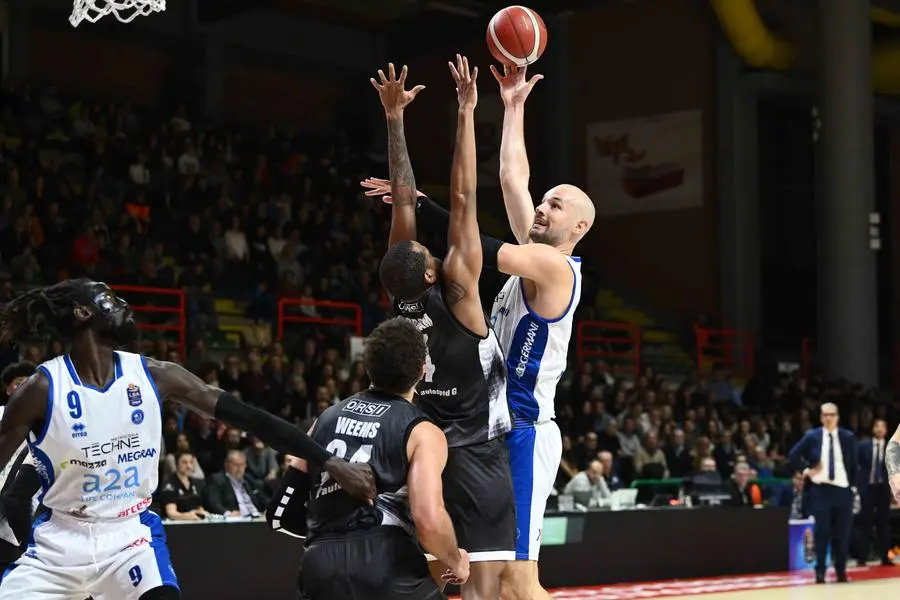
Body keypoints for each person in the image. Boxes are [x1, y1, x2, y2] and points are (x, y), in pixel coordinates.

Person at [363, 64, 595, 599]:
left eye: (555, 205)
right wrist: (511, 106)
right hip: (491, 426)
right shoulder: (536, 257)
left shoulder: (556, 269)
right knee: (481, 581)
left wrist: (421, 203)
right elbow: (513, 178)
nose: (542, 206)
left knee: (516, 584)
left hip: (523, 428)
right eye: (546, 199)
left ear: (578, 228)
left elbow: (474, 240)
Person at [0, 278, 376, 600]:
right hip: (58, 542)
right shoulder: (41, 389)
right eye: (109, 299)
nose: (123, 304)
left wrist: (328, 461)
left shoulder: (155, 375)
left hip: (130, 537)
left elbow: (252, 419)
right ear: (83, 313)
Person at [371, 59, 514, 600]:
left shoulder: (400, 292)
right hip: (477, 449)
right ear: (430, 270)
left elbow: (404, 199)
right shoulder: (457, 289)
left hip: (424, 449)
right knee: (482, 592)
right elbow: (462, 200)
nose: (424, 243)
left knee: (438, 583)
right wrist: (467, 111)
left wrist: (394, 118)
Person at [265, 317, 468, 600]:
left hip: (320, 566)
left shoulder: (325, 419)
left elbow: (279, 514)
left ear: (367, 366)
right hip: (384, 559)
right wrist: (454, 559)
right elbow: (428, 519)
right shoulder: (423, 432)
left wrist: (327, 532)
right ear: (423, 370)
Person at [788, 402, 859, 584]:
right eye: (825, 415)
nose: (828, 418)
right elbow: (793, 455)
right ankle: (820, 572)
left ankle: (841, 572)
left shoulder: (848, 437)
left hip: (843, 490)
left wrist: (853, 488)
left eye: (832, 414)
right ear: (820, 417)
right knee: (822, 532)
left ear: (837, 417)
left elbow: (855, 464)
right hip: (821, 490)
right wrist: (806, 471)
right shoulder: (812, 436)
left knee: (843, 534)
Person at [0, 361, 38, 573]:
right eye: (18, 383)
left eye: (28, 383)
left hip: (22, 517)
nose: (23, 387)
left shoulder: (45, 423)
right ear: (7, 389)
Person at [856, 419, 893, 566]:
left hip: (883, 489)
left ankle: (885, 557)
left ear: (886, 430)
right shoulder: (863, 445)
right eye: (877, 426)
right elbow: (856, 465)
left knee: (883, 523)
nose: (879, 429)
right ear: (873, 429)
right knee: (865, 523)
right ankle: (862, 558)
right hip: (867, 488)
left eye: (882, 426)